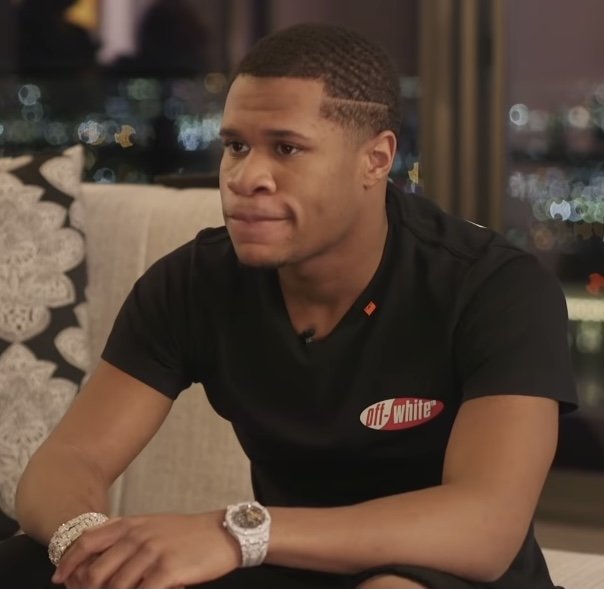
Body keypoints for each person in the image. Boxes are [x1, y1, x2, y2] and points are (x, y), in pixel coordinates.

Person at [0, 23, 577, 589]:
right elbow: (69, 460)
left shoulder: (495, 287)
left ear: (376, 160)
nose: (246, 177)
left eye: (287, 148)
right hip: (290, 566)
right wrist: (90, 545)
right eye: (236, 147)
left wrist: (236, 533)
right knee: (37, 562)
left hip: (443, 569)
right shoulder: (194, 281)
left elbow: (485, 527)